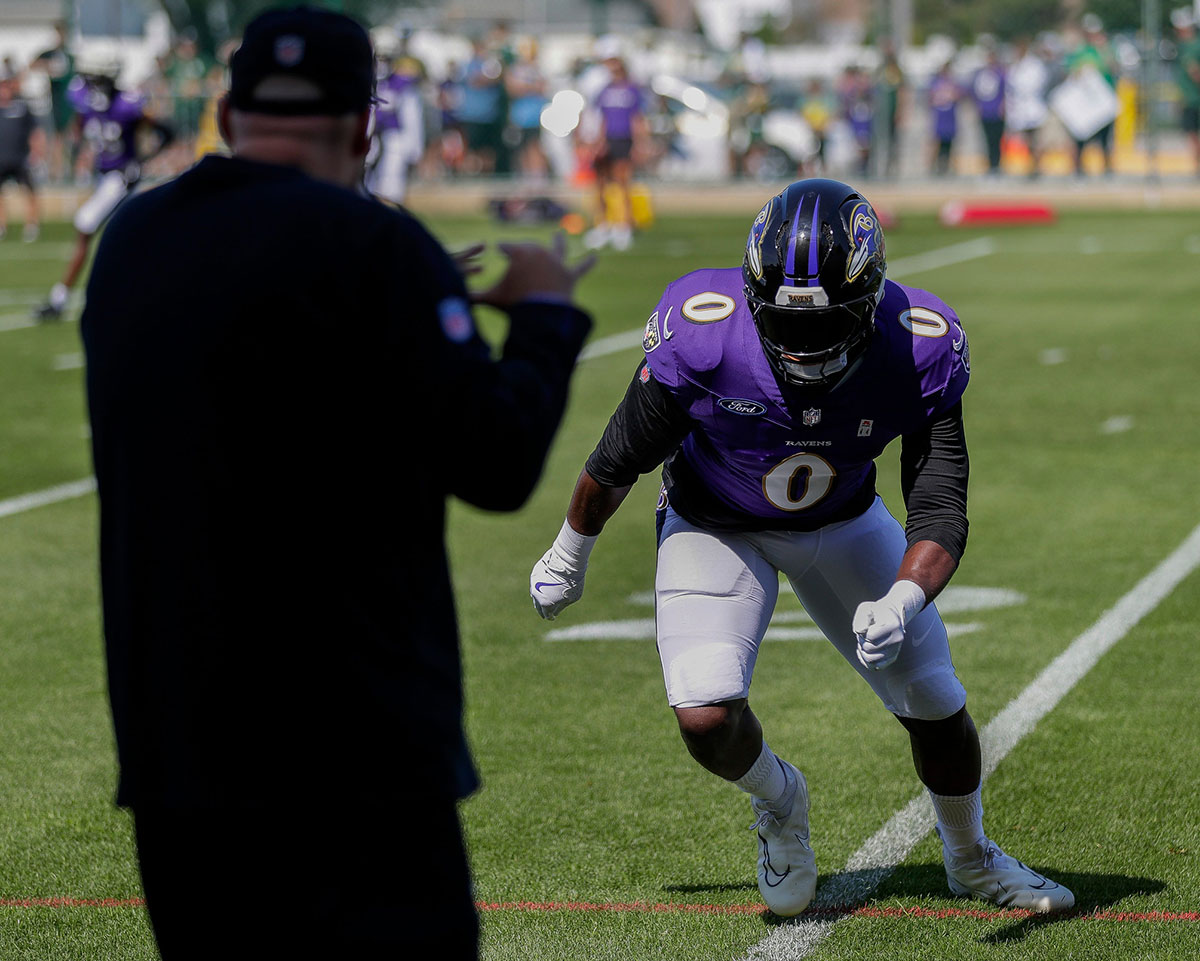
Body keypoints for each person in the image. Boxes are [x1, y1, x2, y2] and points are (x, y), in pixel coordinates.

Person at [80, 8, 593, 959]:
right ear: (365, 127)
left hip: (178, 748)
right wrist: (545, 318)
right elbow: (496, 459)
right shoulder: (374, 247)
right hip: (356, 752)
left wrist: (415, 291)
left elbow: (255, 317)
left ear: (228, 114)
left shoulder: (132, 239)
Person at [529, 178, 1074, 918]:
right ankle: (781, 801)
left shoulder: (921, 344)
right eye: (787, 323)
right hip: (712, 519)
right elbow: (619, 454)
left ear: (872, 295)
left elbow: (940, 506)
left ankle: (971, 857)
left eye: (826, 326)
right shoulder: (702, 330)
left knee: (936, 700)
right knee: (705, 715)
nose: (803, 344)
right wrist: (570, 551)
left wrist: (903, 597)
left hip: (843, 521)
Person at [34, 60, 172, 321]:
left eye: (95, 79)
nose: (89, 85)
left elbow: (165, 130)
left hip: (122, 178)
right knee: (129, 239)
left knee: (86, 224)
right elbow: (78, 123)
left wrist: (143, 160)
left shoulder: (126, 105)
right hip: (103, 177)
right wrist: (77, 145)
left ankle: (60, 299)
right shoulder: (86, 100)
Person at [584, 55, 647, 251]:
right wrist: (598, 142)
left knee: (623, 182)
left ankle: (623, 226)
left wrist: (640, 143)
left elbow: (637, 119)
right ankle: (603, 225)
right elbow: (600, 118)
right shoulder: (604, 91)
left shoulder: (632, 90)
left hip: (623, 139)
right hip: (607, 140)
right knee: (600, 183)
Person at [0, 73, 41, 241]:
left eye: (6, 85)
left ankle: (32, 225)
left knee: (29, 192)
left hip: (21, 158)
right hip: (1, 159)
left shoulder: (22, 107)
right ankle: (2, 225)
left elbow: (35, 133)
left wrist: (36, 153)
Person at [1005, 37, 1050, 178]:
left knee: (1037, 140)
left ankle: (1038, 167)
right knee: (1026, 141)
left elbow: (1035, 85)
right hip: (1020, 110)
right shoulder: (1015, 66)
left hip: (1033, 108)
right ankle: (1031, 166)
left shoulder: (1034, 65)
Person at [1172, 8, 1200, 176]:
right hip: (1189, 98)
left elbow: (1194, 73)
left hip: (1194, 99)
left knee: (1193, 135)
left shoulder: (1191, 47)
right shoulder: (1184, 46)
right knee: (1192, 135)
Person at [971, 45, 1006, 175]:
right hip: (985, 113)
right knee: (987, 140)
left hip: (997, 113)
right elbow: (975, 92)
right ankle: (990, 165)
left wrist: (1004, 106)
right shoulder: (980, 74)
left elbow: (1006, 91)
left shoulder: (1001, 74)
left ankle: (997, 165)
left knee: (997, 140)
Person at [927, 60, 962, 176]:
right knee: (937, 143)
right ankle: (933, 167)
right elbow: (930, 99)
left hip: (950, 118)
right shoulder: (936, 83)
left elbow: (958, 97)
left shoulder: (952, 83)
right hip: (940, 118)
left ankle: (949, 167)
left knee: (950, 144)